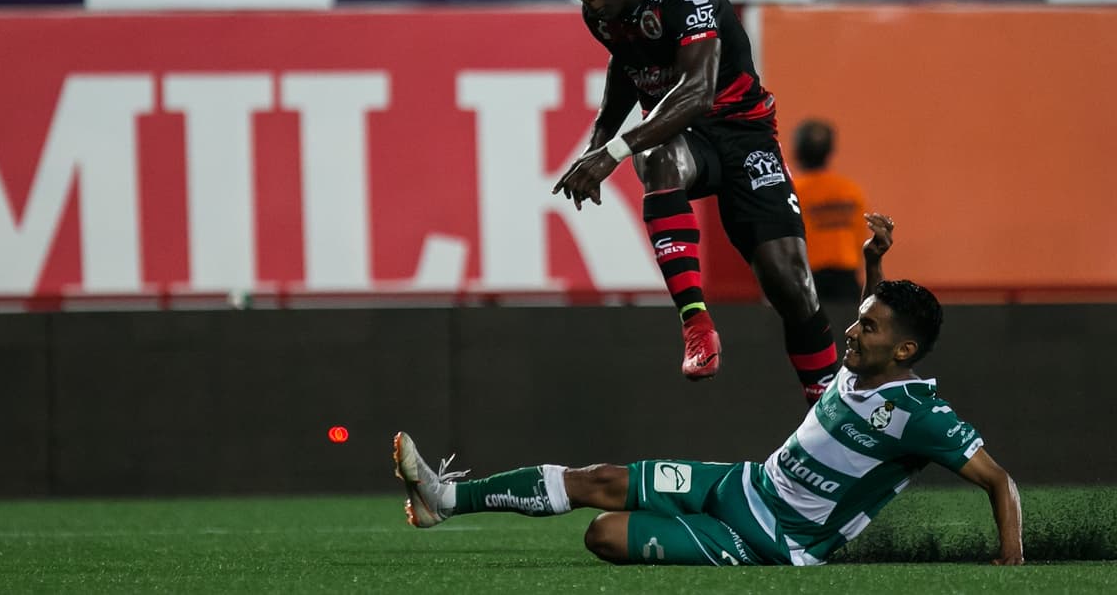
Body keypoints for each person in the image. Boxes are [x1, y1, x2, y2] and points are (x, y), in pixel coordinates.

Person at [393, 215, 1025, 568]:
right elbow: (881, 315)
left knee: (604, 535)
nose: (852, 332)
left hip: (773, 540)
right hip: (743, 484)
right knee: (598, 478)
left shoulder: (918, 414)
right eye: (859, 320)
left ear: (904, 352)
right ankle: (443, 499)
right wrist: (874, 261)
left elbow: (998, 480)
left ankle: (689, 533)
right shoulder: (864, 364)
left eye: (869, 328)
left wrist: (1011, 560)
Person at [553, 0, 838, 404]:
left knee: (791, 284)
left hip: (745, 134)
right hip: (684, 139)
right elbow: (627, 68)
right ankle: (696, 324)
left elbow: (699, 91)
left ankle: (831, 405)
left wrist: (612, 153)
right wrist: (597, 144)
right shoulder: (600, 14)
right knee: (657, 155)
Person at [790, 120, 867, 305]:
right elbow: (860, 236)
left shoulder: (792, 190)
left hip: (807, 278)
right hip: (847, 278)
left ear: (797, 152)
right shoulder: (849, 190)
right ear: (830, 151)